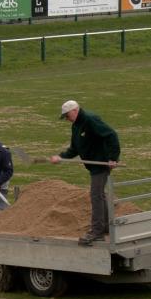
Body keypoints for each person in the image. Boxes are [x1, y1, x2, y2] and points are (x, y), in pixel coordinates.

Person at [50, 100, 120, 246]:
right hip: (93, 165)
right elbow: (74, 149)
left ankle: (97, 231)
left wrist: (113, 158)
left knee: (95, 195)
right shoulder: (76, 126)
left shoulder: (90, 120)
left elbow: (111, 135)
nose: (67, 119)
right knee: (99, 194)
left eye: (67, 115)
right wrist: (61, 157)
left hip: (101, 163)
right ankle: (105, 226)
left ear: (75, 110)